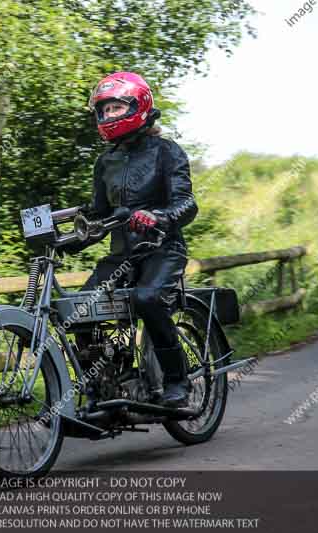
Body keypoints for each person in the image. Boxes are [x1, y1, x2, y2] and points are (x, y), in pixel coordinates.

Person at [61, 72, 198, 407]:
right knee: (77, 311)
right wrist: (64, 241)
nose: (109, 115)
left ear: (139, 106)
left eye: (117, 107)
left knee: (148, 299)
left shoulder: (167, 152)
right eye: (104, 110)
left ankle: (177, 380)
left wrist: (158, 217)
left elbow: (187, 204)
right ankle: (104, 383)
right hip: (121, 256)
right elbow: (98, 216)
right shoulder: (105, 162)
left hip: (162, 250)